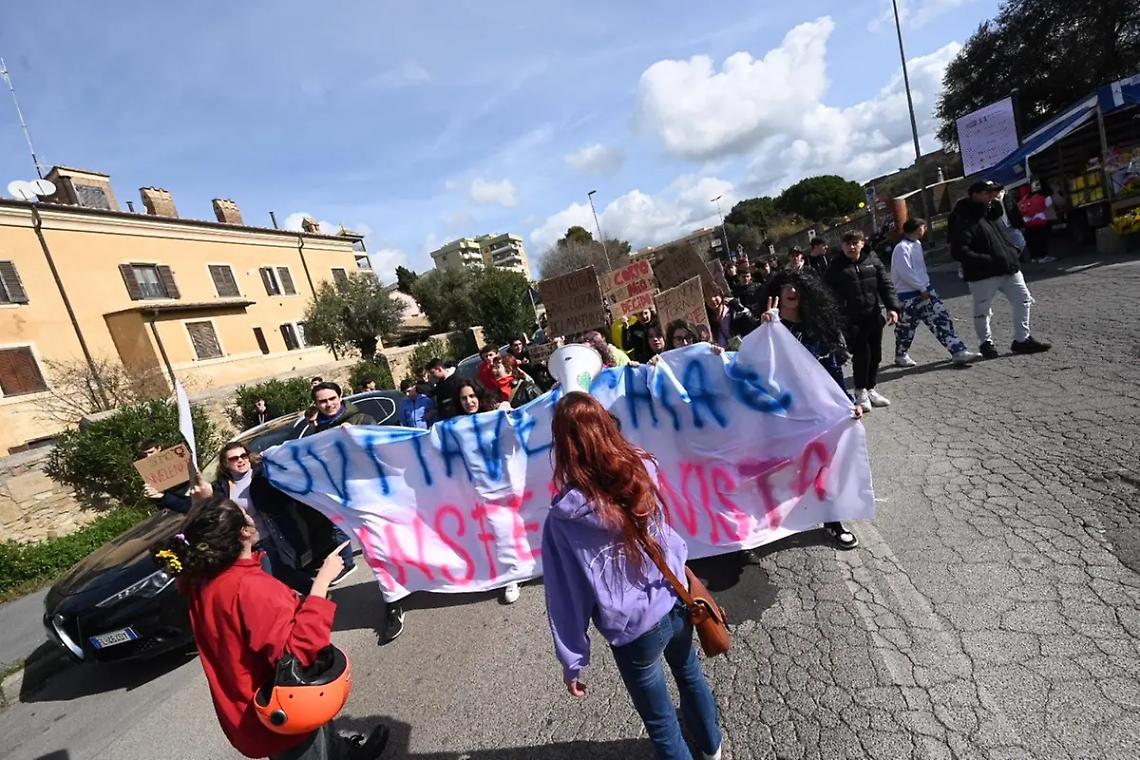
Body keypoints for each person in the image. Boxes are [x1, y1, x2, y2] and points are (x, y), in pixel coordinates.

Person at [543, 392, 723, 760]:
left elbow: (567, 597)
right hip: (676, 599)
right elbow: (667, 538)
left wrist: (573, 661)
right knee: (690, 677)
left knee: (660, 721)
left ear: (564, 446)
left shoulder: (563, 519)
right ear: (608, 427)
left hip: (634, 632)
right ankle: (713, 751)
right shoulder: (642, 468)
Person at [151, 491, 389, 760]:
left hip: (249, 706)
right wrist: (321, 583)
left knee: (319, 736)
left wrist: (206, 503)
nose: (250, 516)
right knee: (308, 750)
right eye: (244, 515)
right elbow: (300, 653)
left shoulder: (201, 581)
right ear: (243, 533)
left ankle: (344, 753)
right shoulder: (250, 588)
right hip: (283, 705)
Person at [762, 270, 863, 550]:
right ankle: (780, 519)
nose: (792, 291)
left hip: (820, 409)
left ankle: (833, 522)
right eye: (786, 286)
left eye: (797, 286)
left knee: (827, 465)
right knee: (790, 468)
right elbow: (754, 365)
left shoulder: (815, 326)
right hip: (786, 413)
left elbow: (832, 367)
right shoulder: (770, 327)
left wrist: (847, 401)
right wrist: (768, 328)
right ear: (777, 293)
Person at [949, 179, 1051, 359]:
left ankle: (1022, 339)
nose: (992, 196)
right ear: (975, 194)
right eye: (987, 192)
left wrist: (1011, 253)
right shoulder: (962, 217)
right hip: (983, 274)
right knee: (983, 311)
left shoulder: (992, 212)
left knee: (1023, 300)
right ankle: (986, 343)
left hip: (1008, 268)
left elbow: (1005, 236)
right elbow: (959, 250)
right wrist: (986, 260)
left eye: (993, 192)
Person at [211, 442, 320, 594]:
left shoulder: (263, 475)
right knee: (283, 575)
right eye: (234, 459)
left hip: (270, 539)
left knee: (269, 581)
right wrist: (166, 498)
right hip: (247, 544)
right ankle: (317, 595)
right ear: (225, 464)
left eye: (243, 456)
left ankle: (313, 598)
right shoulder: (222, 487)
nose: (241, 460)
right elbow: (201, 506)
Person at [452, 380, 520, 603]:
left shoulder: (494, 415)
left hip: (504, 482)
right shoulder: (455, 425)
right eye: (463, 398)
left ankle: (519, 572)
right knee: (496, 531)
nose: (469, 401)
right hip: (479, 488)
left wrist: (506, 412)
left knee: (511, 526)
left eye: (472, 396)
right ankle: (510, 573)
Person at [823, 230, 901, 412]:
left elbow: (885, 285)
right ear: (842, 246)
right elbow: (826, 295)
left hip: (873, 316)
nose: (851, 247)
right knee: (861, 355)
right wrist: (835, 319)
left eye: (855, 243)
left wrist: (892, 307)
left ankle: (871, 388)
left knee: (876, 355)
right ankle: (860, 391)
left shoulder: (872, 260)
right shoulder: (835, 268)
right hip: (851, 320)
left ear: (862, 243)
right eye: (847, 243)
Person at [890, 218, 981, 367]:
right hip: (910, 295)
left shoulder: (917, 245)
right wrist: (920, 288)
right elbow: (905, 272)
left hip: (926, 290)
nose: (925, 229)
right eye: (923, 227)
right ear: (917, 228)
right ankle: (901, 354)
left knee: (941, 320)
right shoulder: (902, 248)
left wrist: (925, 287)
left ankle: (958, 351)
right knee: (906, 328)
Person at [137, 439, 191, 514]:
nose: (148, 456)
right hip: (171, 506)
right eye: (145, 454)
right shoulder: (147, 470)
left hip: (187, 494)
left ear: (159, 448)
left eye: (151, 452)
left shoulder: (174, 458)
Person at [1017, 181, 1056, 263]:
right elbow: (1049, 206)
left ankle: (1034, 257)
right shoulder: (1043, 196)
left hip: (1029, 221)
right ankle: (1043, 256)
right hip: (1041, 220)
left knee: (1032, 239)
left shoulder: (1025, 198)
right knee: (1042, 238)